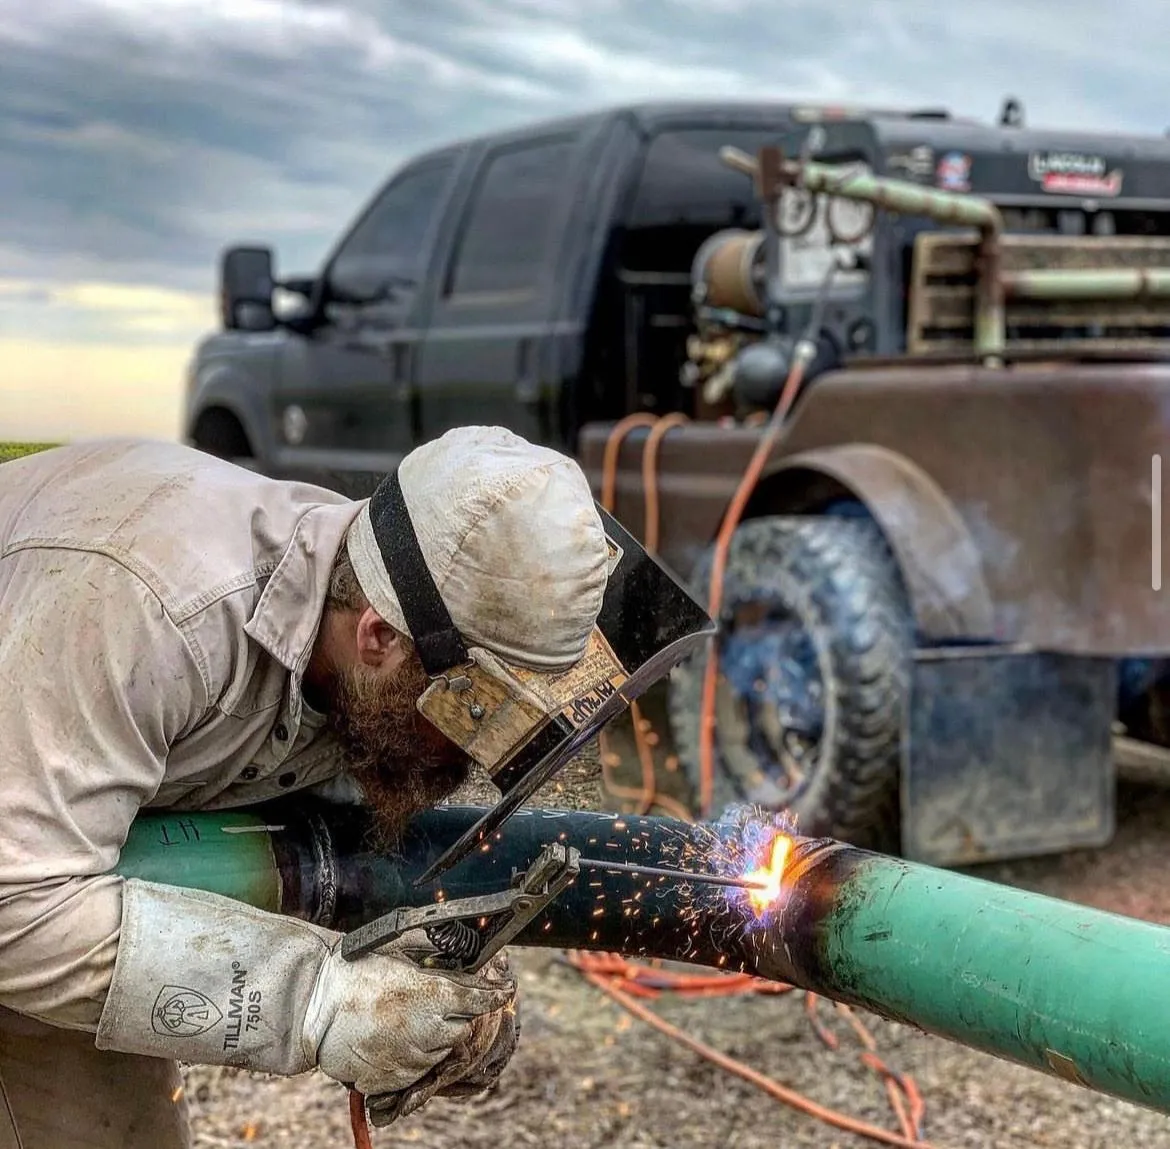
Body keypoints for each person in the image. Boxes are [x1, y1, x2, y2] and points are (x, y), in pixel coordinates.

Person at [0, 425, 612, 1148]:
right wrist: (317, 1000)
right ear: (378, 638)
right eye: (475, 709)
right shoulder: (153, 616)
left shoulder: (369, 606)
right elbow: (16, 904)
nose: (481, 749)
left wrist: (419, 942)